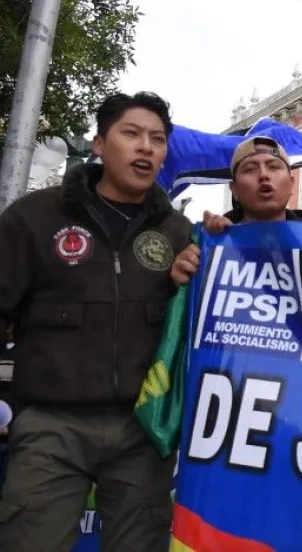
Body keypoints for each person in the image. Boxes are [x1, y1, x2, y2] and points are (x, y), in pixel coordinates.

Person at [0, 92, 192, 552]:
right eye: (131, 134)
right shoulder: (35, 217)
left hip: (142, 433)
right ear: (100, 145)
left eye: (158, 139)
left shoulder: (179, 233)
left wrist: (212, 252)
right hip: (50, 427)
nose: (146, 147)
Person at [171, 135, 302, 286]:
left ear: (292, 184)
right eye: (250, 169)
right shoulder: (209, 247)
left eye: (273, 167)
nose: (264, 175)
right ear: (234, 189)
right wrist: (179, 285)